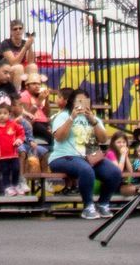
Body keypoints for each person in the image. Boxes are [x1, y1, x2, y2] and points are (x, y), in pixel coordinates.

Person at [49, 87, 120, 221]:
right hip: (64, 156)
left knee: (114, 172)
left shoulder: (93, 118)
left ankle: (103, 203)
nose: (81, 104)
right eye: (78, 101)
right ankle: (88, 206)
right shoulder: (63, 115)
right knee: (86, 170)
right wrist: (72, 118)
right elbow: (59, 137)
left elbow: (104, 139)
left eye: (84, 101)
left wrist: (93, 121)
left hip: (89, 156)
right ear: (72, 102)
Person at [0, 99, 25, 194]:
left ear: (9, 115)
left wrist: (19, 139)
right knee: (5, 172)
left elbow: (21, 133)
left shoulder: (13, 125)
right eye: (0, 113)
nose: (2, 115)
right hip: (1, 156)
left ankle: (15, 185)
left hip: (13, 154)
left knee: (16, 169)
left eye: (5, 113)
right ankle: (7, 188)